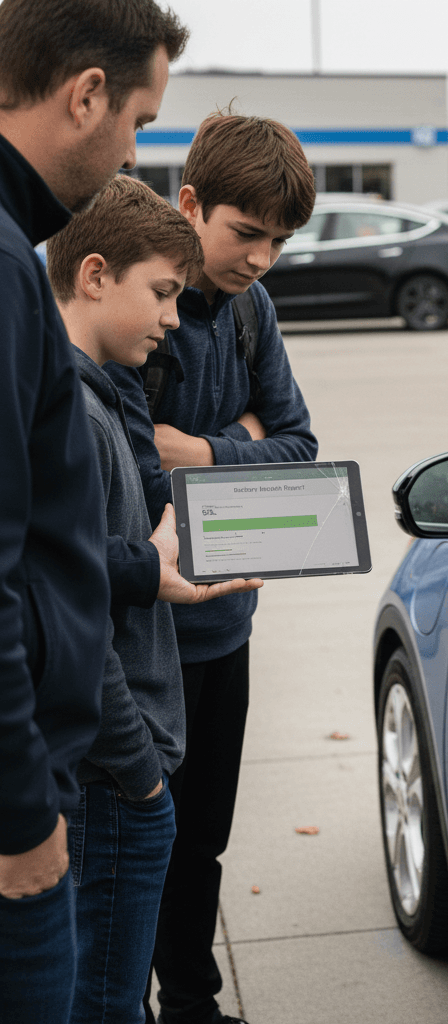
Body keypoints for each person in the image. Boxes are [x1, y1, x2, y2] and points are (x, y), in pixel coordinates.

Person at [106, 112, 318, 1024]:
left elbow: (303, 450)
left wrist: (202, 451)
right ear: (190, 205)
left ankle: (194, 1002)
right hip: (135, 638)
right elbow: (123, 464)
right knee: (134, 841)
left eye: (280, 240)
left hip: (224, 625)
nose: (263, 257)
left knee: (203, 844)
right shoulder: (134, 302)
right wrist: (246, 442)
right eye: (246, 233)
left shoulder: (251, 311)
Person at [0, 3, 187, 1021]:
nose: (133, 145)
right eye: (140, 119)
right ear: (85, 95)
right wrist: (28, 814)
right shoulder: (5, 268)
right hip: (45, 795)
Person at [47, 175, 264, 1024]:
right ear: (95, 275)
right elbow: (70, 609)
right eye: (164, 293)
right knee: (106, 1000)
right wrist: (139, 775)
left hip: (118, 769)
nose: (175, 318)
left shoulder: (100, 393)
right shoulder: (73, 412)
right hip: (112, 778)